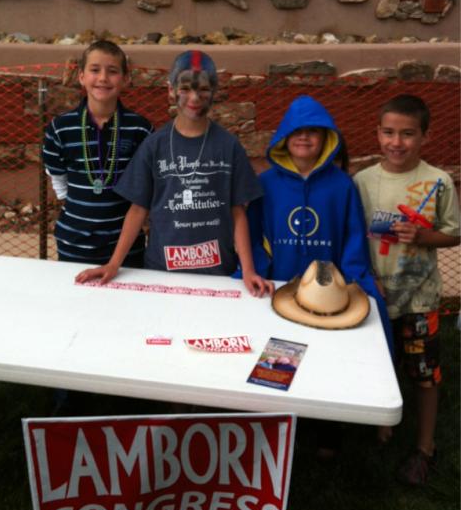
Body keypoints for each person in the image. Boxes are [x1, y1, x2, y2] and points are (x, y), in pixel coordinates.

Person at [244, 94, 392, 458]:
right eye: (297, 132)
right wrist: (261, 273)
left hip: (327, 291)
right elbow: (253, 231)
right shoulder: (268, 183)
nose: (305, 138)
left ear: (327, 139)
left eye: (313, 132)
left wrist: (355, 274)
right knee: (279, 352)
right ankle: (276, 424)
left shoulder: (341, 185)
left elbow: (353, 232)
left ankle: (328, 425)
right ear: (283, 138)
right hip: (282, 281)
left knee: (329, 354)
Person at [75, 49, 273, 298]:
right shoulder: (154, 145)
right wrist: (114, 264)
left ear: (215, 92)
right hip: (162, 271)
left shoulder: (228, 145)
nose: (194, 97)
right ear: (170, 90)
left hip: (217, 272)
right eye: (185, 88)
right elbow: (138, 210)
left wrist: (247, 270)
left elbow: (238, 211)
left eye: (203, 89)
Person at [354, 94, 460, 486]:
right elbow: (352, 238)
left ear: (425, 137)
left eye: (407, 134)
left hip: (419, 297)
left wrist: (423, 235)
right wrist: (366, 278)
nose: (396, 142)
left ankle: (425, 447)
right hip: (374, 295)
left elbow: (453, 234)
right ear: (377, 133)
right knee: (380, 362)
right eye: (388, 132)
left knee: (424, 373)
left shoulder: (438, 182)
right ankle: (383, 423)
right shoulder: (363, 182)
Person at [43, 39, 153, 266]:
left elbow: (145, 186)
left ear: (125, 78)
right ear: (81, 76)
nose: (103, 78)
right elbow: (58, 180)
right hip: (74, 243)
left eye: (112, 71)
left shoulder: (140, 129)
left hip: (125, 248)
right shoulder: (60, 128)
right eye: (95, 70)